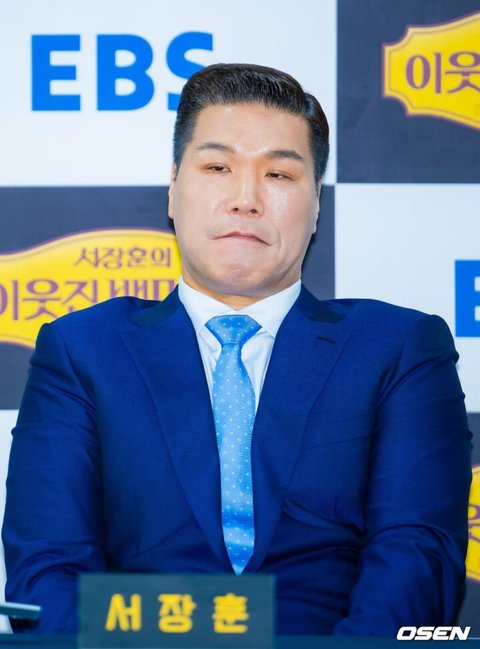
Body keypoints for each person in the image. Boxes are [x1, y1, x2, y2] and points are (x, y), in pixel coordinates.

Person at [2, 63, 472, 636]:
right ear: (173, 189)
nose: (245, 199)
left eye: (278, 174)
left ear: (316, 206)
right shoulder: (83, 352)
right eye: (218, 167)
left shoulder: (398, 349)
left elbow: (416, 557)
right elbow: (49, 570)